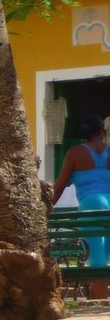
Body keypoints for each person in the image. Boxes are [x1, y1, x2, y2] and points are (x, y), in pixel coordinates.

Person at [53, 113, 110, 267]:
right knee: (105, 254)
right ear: (101, 130)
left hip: (91, 204)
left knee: (97, 258)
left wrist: (45, 208)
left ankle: (100, 291)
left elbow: (58, 188)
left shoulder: (75, 153)